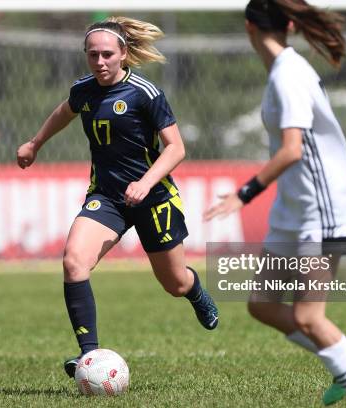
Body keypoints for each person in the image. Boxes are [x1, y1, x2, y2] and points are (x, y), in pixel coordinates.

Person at [17, 16, 219, 379]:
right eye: (92, 55)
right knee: (73, 262)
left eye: (107, 54)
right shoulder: (84, 90)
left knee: (174, 283)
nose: (100, 62)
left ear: (124, 54)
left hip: (154, 198)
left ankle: (195, 291)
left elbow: (176, 148)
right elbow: (64, 111)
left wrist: (144, 182)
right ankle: (89, 355)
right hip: (107, 198)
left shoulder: (145, 92)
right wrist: (35, 143)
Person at [204, 1, 346, 407]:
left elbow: (292, 151)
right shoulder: (285, 71)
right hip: (294, 210)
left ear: (249, 27)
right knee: (262, 305)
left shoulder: (288, 74)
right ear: (287, 24)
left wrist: (243, 193)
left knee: (307, 317)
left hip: (321, 212)